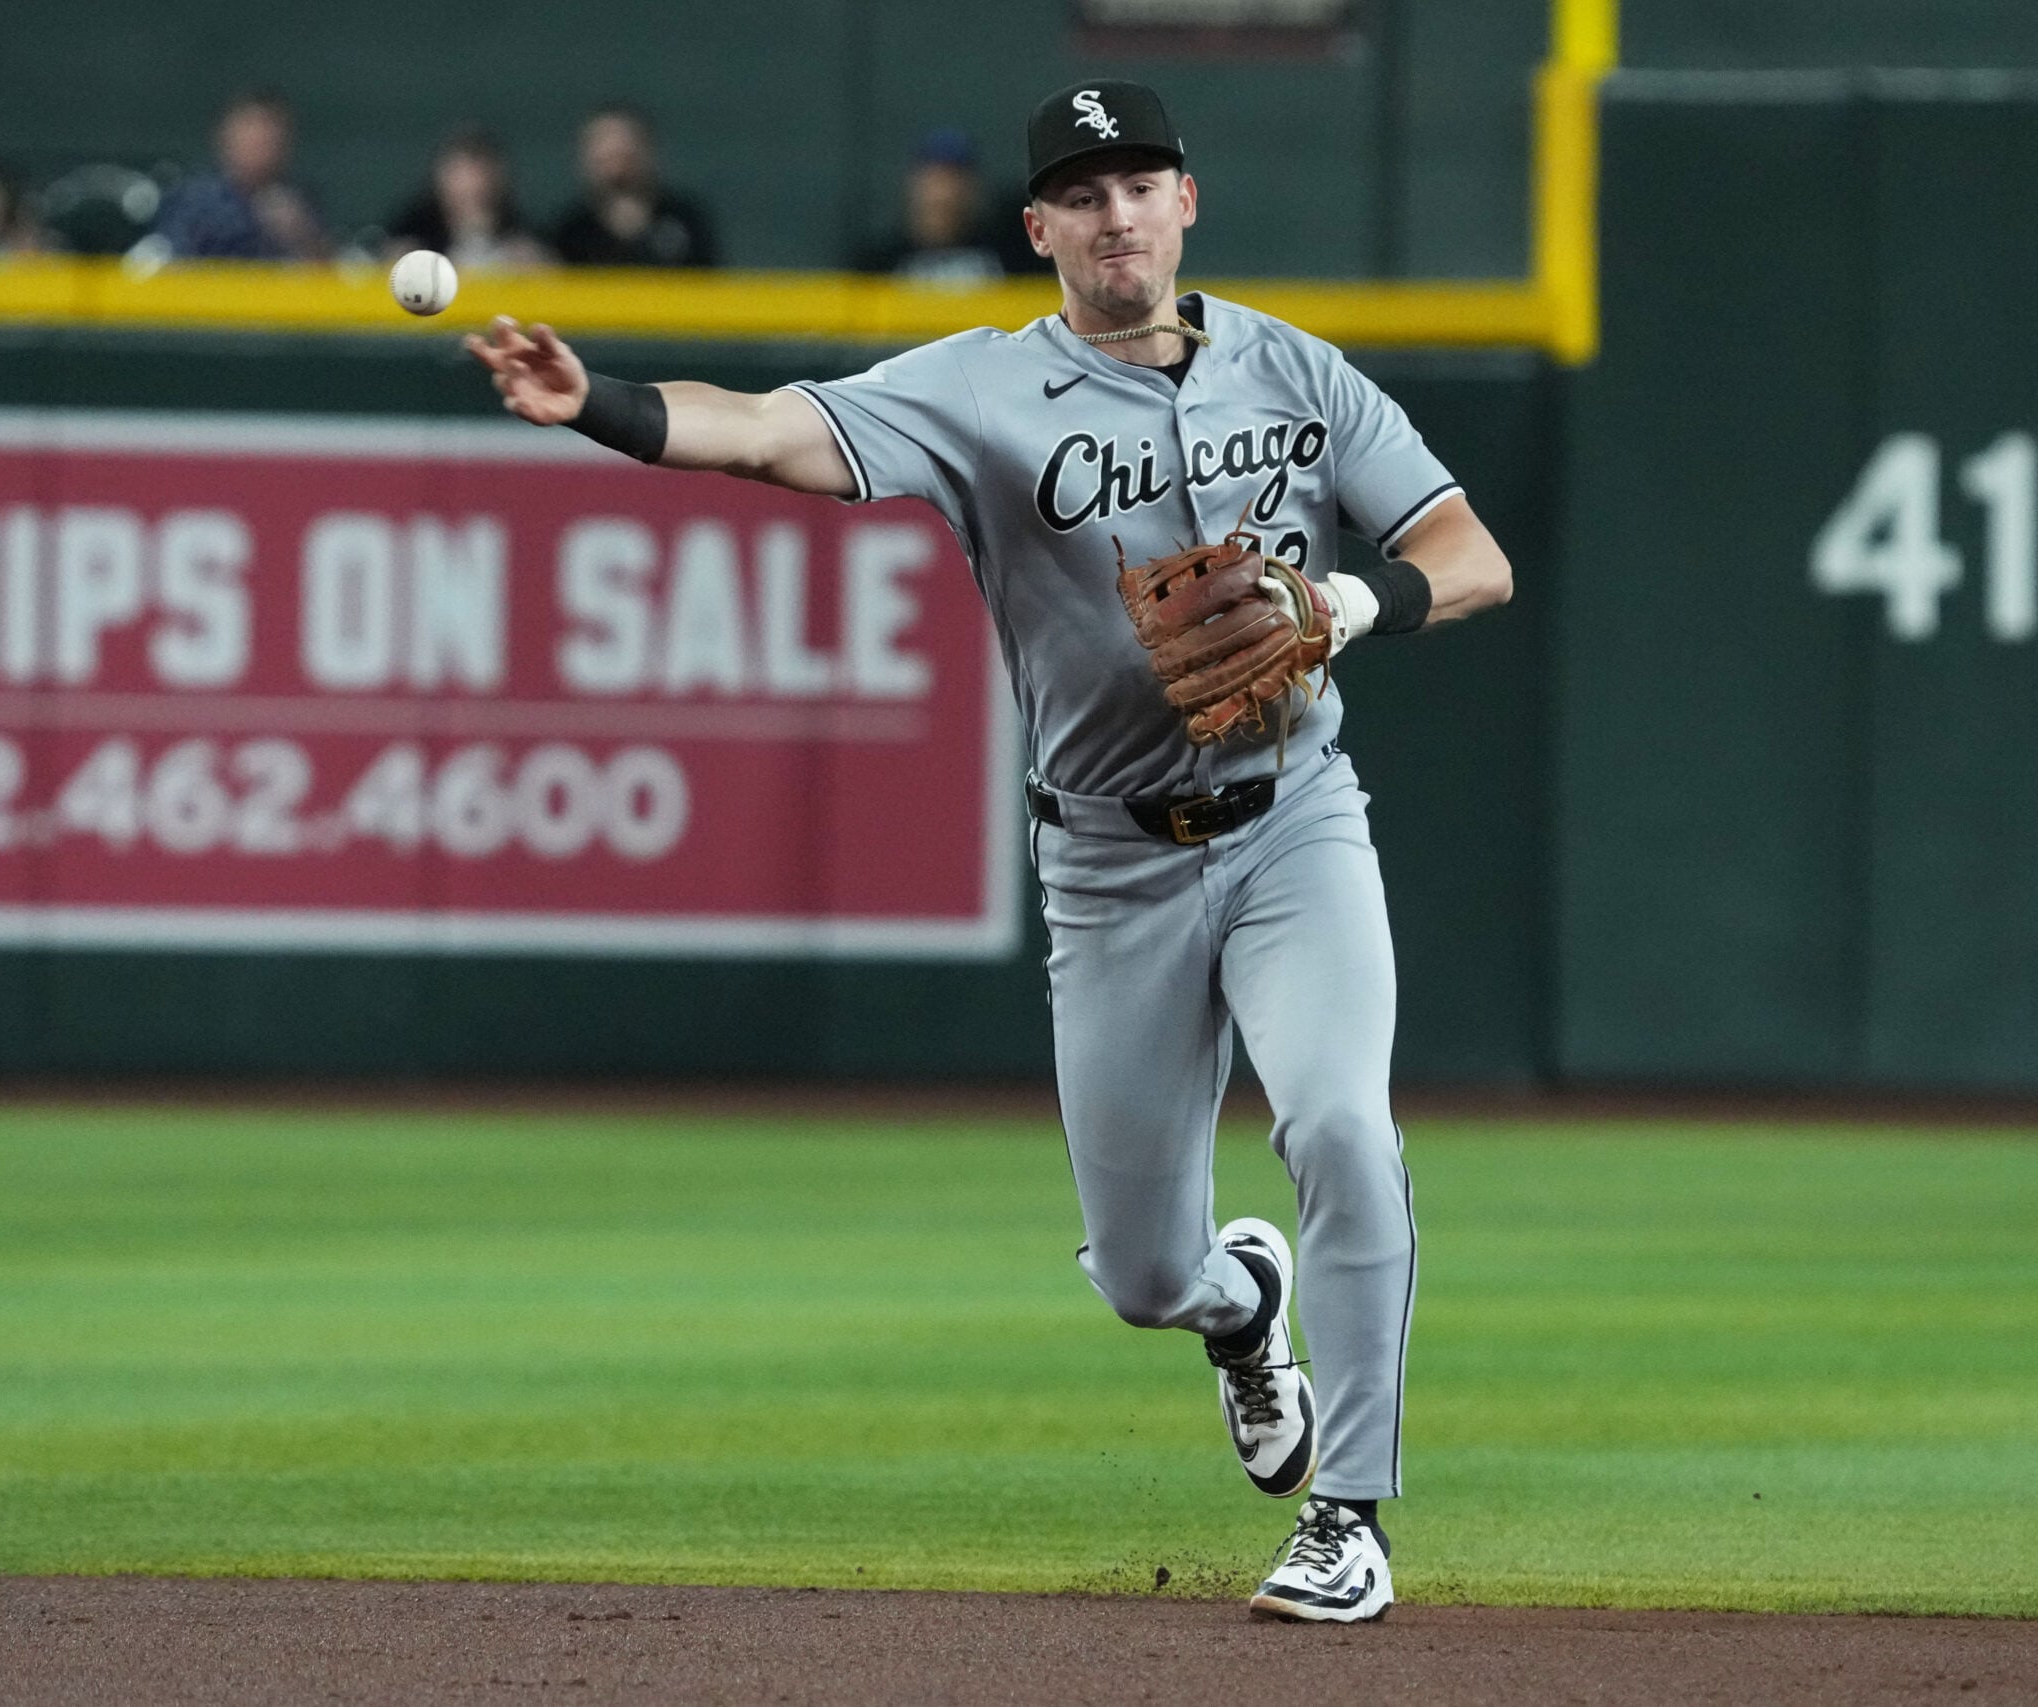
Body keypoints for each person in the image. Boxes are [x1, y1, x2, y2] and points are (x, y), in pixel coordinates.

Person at [465, 79, 1511, 1624]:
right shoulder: (974, 389)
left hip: (1296, 820)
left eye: (1139, 181)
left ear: (1187, 202)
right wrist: (598, 403)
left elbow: (1466, 554)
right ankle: (1242, 1311)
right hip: (1109, 862)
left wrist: (1357, 605)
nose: (1116, 212)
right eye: (1082, 194)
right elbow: (765, 434)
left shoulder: (1301, 368)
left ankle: (1347, 1511)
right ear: (1040, 232)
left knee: (1344, 1127)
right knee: (1147, 1274)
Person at [852, 126, 1044, 285]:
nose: (943, 194)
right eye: (933, 180)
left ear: (972, 188)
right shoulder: (880, 263)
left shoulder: (1009, 254)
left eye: (954, 180)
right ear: (913, 185)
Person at [150, 89, 326, 261]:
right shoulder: (194, 201)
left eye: (270, 136)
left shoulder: (300, 200)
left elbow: (332, 274)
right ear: (226, 137)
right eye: (251, 132)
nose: (261, 143)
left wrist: (303, 237)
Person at [549, 105, 717, 268]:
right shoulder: (571, 234)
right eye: (605, 158)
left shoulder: (685, 223)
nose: (616, 167)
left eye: (625, 155)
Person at [385, 127, 547, 272]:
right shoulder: (412, 234)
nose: (472, 186)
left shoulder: (524, 236)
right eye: (460, 175)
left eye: (481, 174)